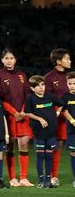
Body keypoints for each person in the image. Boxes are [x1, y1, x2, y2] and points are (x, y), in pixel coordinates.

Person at [0, 48, 32, 187]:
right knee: (10, 146)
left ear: (15, 60)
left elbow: (28, 95)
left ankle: (23, 177)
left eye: (11, 58)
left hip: (23, 115)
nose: (9, 60)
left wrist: (22, 111)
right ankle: (12, 178)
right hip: (9, 116)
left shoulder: (22, 75)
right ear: (2, 60)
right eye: (6, 58)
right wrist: (13, 112)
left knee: (23, 145)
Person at [23, 75, 58, 188]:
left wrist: (56, 113)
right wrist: (39, 118)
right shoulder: (30, 98)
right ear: (33, 88)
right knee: (40, 156)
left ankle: (48, 180)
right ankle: (41, 180)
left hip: (51, 132)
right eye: (37, 86)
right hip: (39, 132)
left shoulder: (50, 96)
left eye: (42, 85)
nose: (41, 87)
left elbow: (62, 104)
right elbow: (27, 112)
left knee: (49, 156)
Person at [43, 48, 70, 185]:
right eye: (67, 58)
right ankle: (54, 175)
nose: (69, 61)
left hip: (73, 115)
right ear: (58, 61)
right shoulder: (49, 78)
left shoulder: (71, 76)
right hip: (58, 118)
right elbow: (46, 98)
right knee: (56, 145)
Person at [64, 73, 75, 186]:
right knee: (73, 153)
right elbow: (65, 111)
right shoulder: (66, 97)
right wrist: (73, 121)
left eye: (74, 83)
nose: (72, 86)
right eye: (70, 83)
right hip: (72, 130)